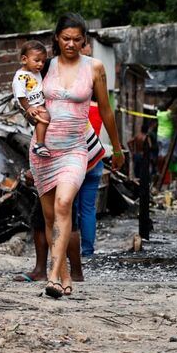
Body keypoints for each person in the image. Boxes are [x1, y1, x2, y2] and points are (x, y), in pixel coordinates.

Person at [29, 12, 124, 298]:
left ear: (84, 41)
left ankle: (52, 276)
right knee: (49, 217)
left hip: (74, 149)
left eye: (77, 39)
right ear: (56, 39)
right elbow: (27, 99)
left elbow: (105, 110)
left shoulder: (94, 67)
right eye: (65, 38)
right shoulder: (45, 67)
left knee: (64, 204)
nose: (71, 44)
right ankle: (65, 275)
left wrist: (116, 147)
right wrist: (28, 112)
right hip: (44, 150)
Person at [13, 170, 84, 283]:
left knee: (47, 219)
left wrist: (34, 170)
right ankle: (75, 272)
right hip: (69, 172)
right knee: (62, 218)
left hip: (57, 172)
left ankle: (43, 271)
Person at [73, 100, 105, 258]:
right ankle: (87, 251)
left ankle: (70, 250)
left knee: (71, 208)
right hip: (94, 158)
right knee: (88, 209)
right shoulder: (100, 109)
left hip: (74, 160)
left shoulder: (73, 104)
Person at [12, 41, 52, 157]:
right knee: (44, 117)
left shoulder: (35, 72)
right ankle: (39, 145)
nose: (40, 64)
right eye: (37, 60)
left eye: (43, 61)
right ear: (24, 59)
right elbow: (20, 96)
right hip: (30, 106)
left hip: (39, 103)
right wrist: (28, 108)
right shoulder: (21, 77)